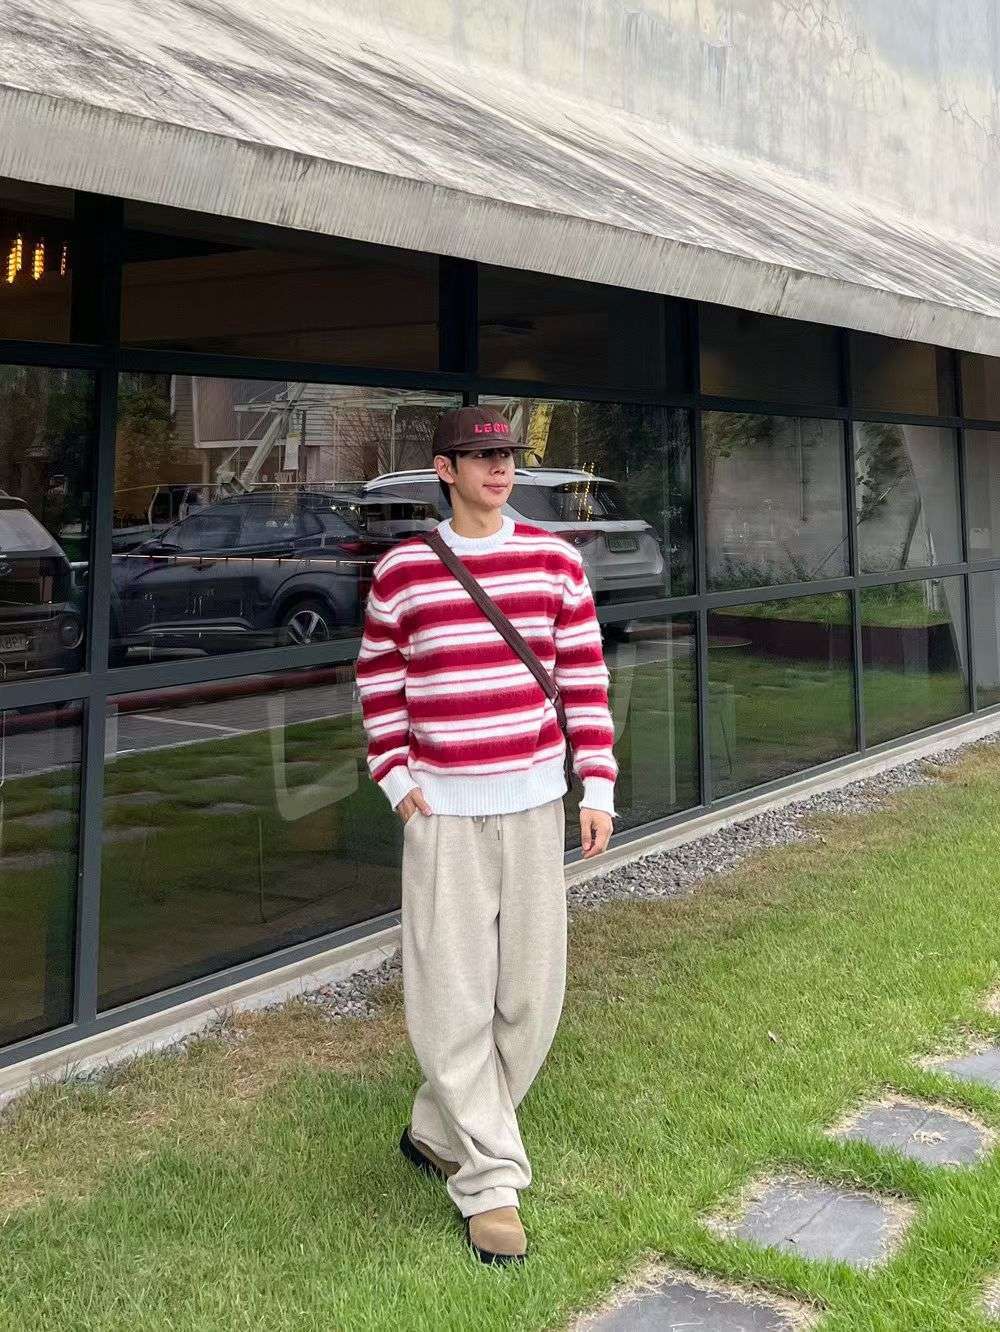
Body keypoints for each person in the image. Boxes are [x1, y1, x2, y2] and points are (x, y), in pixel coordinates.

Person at [355, 405, 617, 1265]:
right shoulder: (404, 570)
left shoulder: (554, 559)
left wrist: (598, 784)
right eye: (480, 456)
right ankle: (491, 1182)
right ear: (445, 469)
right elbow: (379, 680)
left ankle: (438, 1130)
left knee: (532, 998)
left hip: (535, 804)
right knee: (452, 995)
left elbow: (585, 676)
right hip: (443, 814)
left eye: (506, 455)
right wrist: (398, 781)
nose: (499, 469)